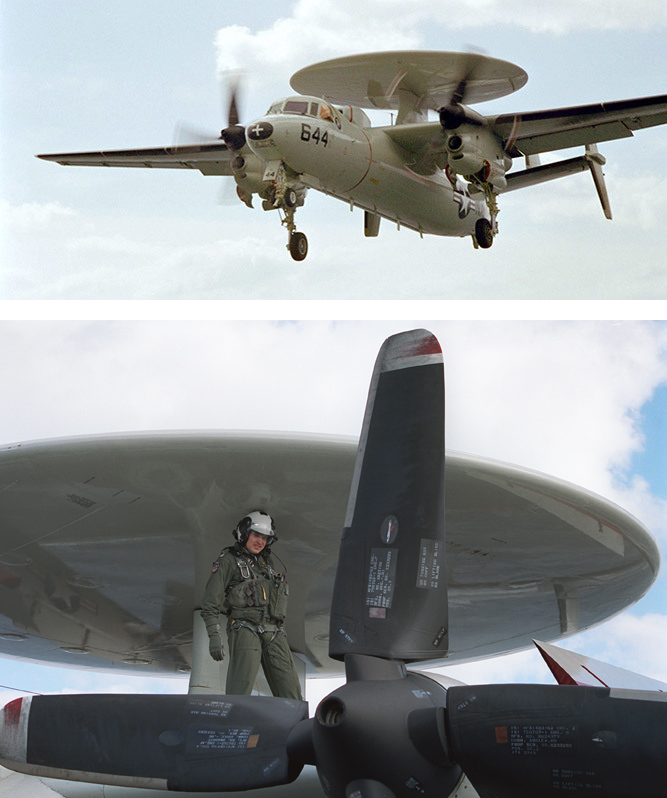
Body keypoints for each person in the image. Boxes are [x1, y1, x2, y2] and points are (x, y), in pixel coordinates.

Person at [200, 511, 302, 699]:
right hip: (245, 627)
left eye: (264, 538)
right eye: (256, 535)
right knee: (240, 691)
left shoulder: (267, 563)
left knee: (291, 692)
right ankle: (233, 727)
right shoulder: (228, 560)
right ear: (244, 533)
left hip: (274, 630)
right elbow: (210, 602)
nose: (260, 541)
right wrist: (214, 636)